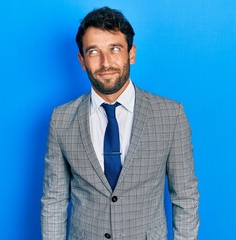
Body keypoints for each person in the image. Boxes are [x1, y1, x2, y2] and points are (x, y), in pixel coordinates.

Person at [41, 6, 199, 240]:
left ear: (131, 54)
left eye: (115, 49)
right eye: (93, 52)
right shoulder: (61, 119)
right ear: (82, 60)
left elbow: (185, 196)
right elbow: (54, 200)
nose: (105, 62)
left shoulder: (171, 115)